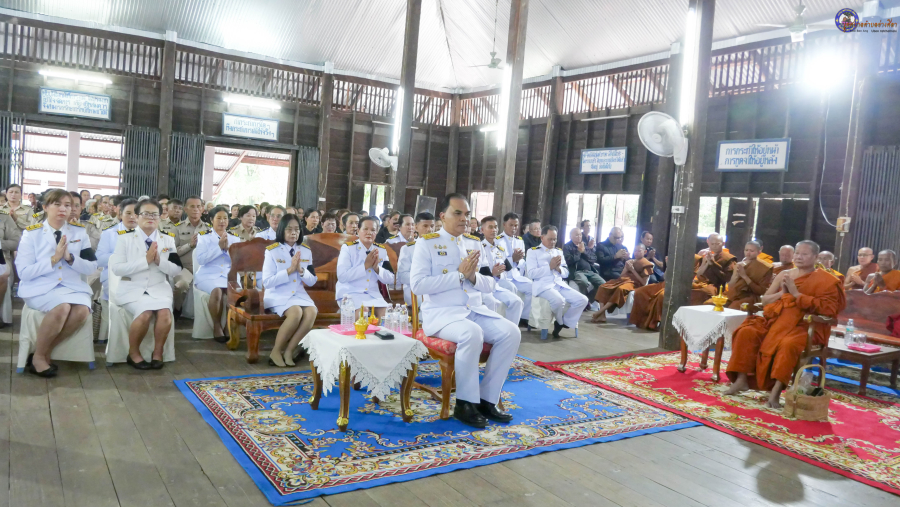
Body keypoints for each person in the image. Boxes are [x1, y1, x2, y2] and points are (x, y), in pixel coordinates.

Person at [411, 194, 520, 427]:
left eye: (467, 214)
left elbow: (490, 283)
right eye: (457, 213)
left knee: (511, 332)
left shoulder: (473, 243)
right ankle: (464, 403)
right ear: (443, 216)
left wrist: (471, 276)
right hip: (443, 314)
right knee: (472, 333)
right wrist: (459, 275)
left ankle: (487, 399)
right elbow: (418, 285)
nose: (463, 219)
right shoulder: (427, 243)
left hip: (474, 309)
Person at [726, 240, 844, 408]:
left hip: (804, 325)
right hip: (776, 320)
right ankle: (741, 380)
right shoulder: (785, 274)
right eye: (797, 253)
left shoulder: (828, 280)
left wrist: (796, 294)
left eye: (804, 254)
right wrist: (783, 293)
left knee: (787, 345)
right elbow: (765, 299)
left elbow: (829, 309)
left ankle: (775, 391)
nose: (799, 257)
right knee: (747, 332)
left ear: (816, 257)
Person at [16, 189, 97, 377]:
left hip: (71, 286)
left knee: (82, 310)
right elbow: (24, 273)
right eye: (57, 204)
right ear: (45, 207)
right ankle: (39, 359)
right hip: (40, 287)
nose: (63, 209)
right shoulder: (31, 234)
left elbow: (91, 267)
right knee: (62, 307)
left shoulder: (79, 233)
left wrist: (69, 259)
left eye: (68, 205)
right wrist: (53, 260)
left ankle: (41, 353)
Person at [109, 199, 181, 370]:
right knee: (145, 314)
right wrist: (145, 261)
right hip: (132, 288)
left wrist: (159, 262)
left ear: (160, 217)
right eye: (146, 214)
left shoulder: (167, 240)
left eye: (154, 214)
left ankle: (158, 353)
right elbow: (117, 269)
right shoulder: (125, 239)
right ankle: (133, 354)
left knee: (164, 313)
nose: (151, 218)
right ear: (137, 216)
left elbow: (176, 268)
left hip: (159, 288)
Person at [262, 214, 318, 367]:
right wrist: (289, 270)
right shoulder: (272, 251)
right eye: (289, 229)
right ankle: (276, 351)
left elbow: (312, 281)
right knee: (296, 313)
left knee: (312, 312)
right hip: (277, 294)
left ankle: (289, 350)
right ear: (281, 230)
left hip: (299, 294)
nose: (294, 233)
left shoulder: (305, 250)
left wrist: (300, 270)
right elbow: (267, 282)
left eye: (297, 229)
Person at [528, 225, 589, 337]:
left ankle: (565, 322)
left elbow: (566, 273)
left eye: (555, 239)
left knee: (583, 300)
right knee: (559, 300)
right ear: (542, 238)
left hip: (559, 284)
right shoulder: (533, 252)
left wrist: (559, 269)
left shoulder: (558, 251)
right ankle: (560, 322)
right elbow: (531, 274)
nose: (553, 242)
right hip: (543, 286)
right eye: (550, 239)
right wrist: (549, 267)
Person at [194, 206, 241, 342]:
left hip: (228, 273)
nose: (222, 221)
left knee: (233, 293)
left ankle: (228, 325)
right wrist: (219, 248)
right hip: (208, 274)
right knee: (217, 292)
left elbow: (238, 262)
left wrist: (228, 252)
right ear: (211, 220)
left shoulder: (235, 239)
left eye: (225, 218)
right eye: (218, 218)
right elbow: (201, 260)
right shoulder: (204, 237)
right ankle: (216, 326)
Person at [335, 216, 394, 318]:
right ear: (358, 231)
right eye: (365, 229)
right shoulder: (348, 248)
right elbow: (342, 276)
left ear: (377, 232)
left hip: (372, 294)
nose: (369, 233)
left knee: (387, 316)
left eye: (373, 230)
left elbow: (391, 278)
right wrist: (365, 266)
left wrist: (377, 269)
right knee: (364, 313)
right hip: (350, 293)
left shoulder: (381, 250)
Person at [479, 216, 524, 325]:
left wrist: (498, 275)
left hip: (496, 285)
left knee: (517, 302)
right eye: (490, 227)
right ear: (482, 230)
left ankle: (511, 329)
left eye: (495, 227)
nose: (494, 230)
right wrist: (492, 273)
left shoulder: (500, 249)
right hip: (483, 287)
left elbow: (507, 268)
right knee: (492, 303)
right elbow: (478, 272)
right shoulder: (479, 247)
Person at [592, 244, 654, 323]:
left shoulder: (647, 264)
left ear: (645, 252)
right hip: (623, 280)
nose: (636, 253)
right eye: (635, 251)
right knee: (603, 286)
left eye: (639, 251)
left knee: (620, 289)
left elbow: (643, 283)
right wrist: (626, 267)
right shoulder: (631, 261)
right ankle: (602, 315)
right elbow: (621, 276)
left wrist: (632, 270)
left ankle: (599, 312)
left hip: (635, 283)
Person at [173, 196, 212, 313]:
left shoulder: (208, 229)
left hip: (203, 269)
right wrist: (189, 245)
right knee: (181, 285)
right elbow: (172, 252)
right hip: (185, 268)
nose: (195, 209)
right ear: (185, 209)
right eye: (192, 206)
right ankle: (176, 311)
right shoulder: (177, 228)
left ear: (202, 209)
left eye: (198, 206)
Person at [496, 213, 533, 327]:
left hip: (515, 274)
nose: (514, 228)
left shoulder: (519, 240)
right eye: (511, 225)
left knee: (532, 286)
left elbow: (522, 261)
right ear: (504, 225)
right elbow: (499, 260)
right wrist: (512, 259)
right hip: (502, 276)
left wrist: (517, 261)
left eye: (516, 225)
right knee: (511, 288)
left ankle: (524, 317)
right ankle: (508, 320)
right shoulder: (497, 240)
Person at [398, 212, 435, 306]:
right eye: (425, 226)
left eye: (432, 226)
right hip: (415, 290)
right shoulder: (408, 249)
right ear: (416, 227)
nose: (429, 229)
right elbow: (402, 276)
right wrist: (423, 277)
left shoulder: (439, 248)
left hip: (435, 287)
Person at [563, 227, 605, 307]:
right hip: (577, 271)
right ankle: (584, 302)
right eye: (576, 235)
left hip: (590, 271)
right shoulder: (567, 246)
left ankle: (588, 300)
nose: (579, 237)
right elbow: (569, 260)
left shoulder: (585, 245)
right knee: (583, 282)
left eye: (580, 235)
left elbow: (593, 258)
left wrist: (584, 251)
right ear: (570, 236)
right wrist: (579, 251)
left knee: (603, 284)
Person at [725, 241, 773, 309]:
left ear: (759, 252)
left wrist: (744, 276)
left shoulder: (765, 268)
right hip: (735, 294)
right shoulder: (740, 265)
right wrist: (736, 274)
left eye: (752, 251)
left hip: (751, 297)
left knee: (732, 308)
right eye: (746, 250)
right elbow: (731, 285)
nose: (748, 253)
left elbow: (761, 291)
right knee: (712, 303)